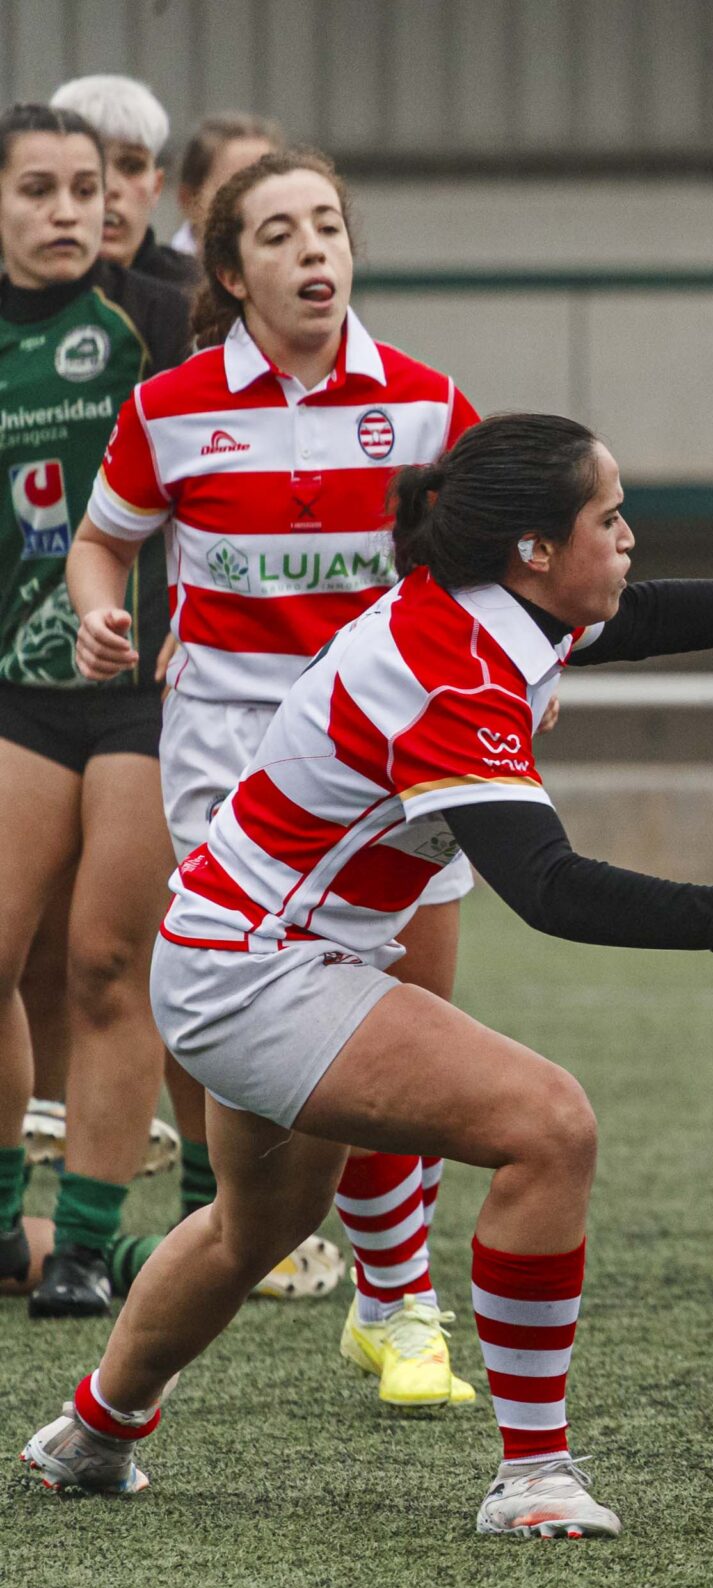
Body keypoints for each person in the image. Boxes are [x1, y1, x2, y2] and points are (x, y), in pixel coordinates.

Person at [22, 411, 713, 1537]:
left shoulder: (500, 608)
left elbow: (636, 619)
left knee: (253, 1227)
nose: (628, 539)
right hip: (258, 969)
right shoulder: (454, 674)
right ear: (532, 548)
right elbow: (549, 889)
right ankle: (532, 1478)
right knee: (547, 1125)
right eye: (608, 518)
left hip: (244, 943)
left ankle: (92, 1431)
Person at [63, 149, 480, 1387]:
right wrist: (97, 609)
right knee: (283, 1039)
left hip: (400, 756)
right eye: (285, 235)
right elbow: (102, 543)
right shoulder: (170, 408)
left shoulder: (426, 403)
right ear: (231, 271)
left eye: (333, 229)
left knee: (417, 1035)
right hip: (231, 763)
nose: (316, 253)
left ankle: (392, 1298)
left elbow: (482, 583)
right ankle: (282, 1249)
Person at [0, 104, 190, 1316]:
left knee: (110, 962)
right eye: (38, 190)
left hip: (142, 691)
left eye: (87, 188)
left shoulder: (158, 322)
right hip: (13, 688)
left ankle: (82, 1238)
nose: (71, 210)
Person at [47, 75, 197, 293]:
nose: (108, 187)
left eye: (131, 166)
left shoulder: (201, 294)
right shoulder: (17, 293)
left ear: (156, 186)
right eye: (88, 165)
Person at [170, 113, 283, 261]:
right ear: (189, 199)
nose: (259, 202)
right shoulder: (160, 280)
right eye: (238, 189)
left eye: (270, 187)